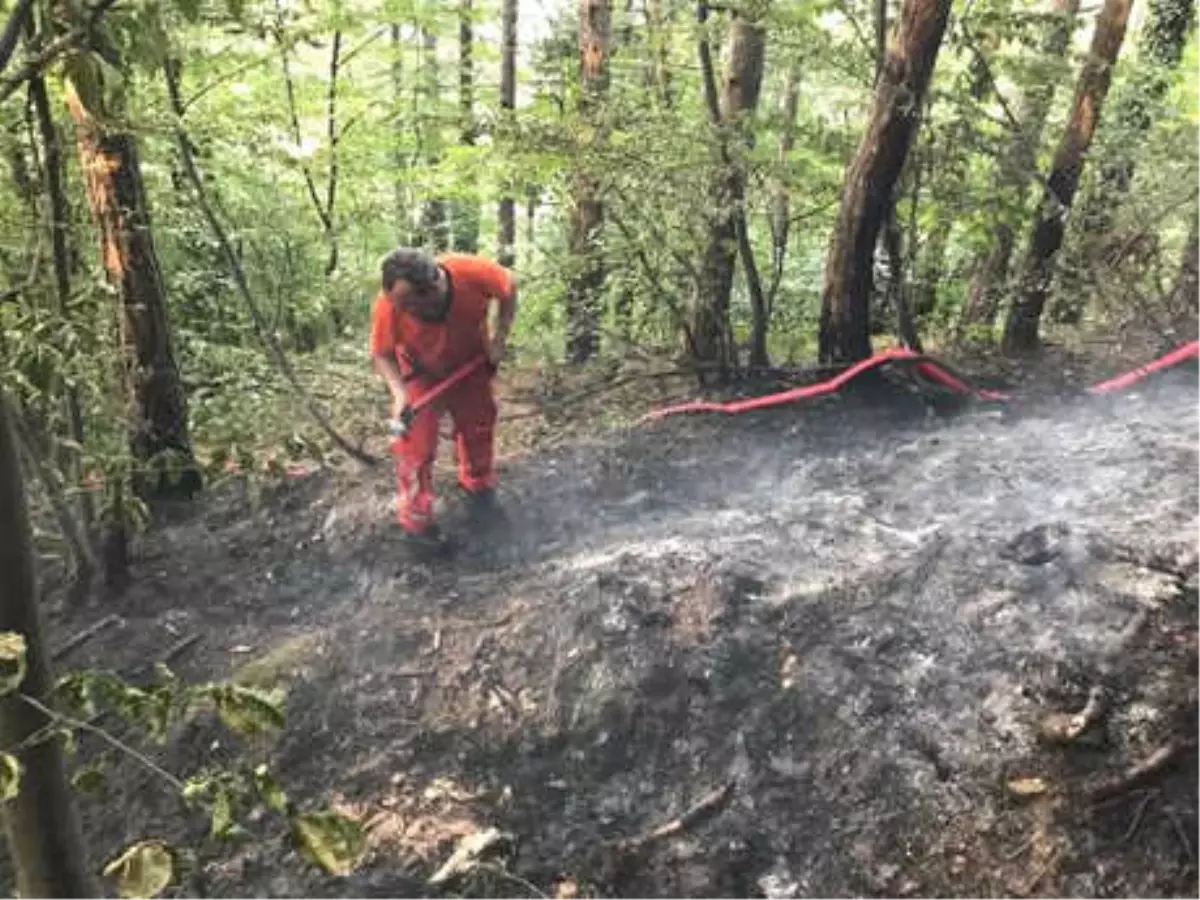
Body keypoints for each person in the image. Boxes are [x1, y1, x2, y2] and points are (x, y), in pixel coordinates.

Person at [370, 248, 517, 545]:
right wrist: (399, 395)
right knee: (415, 448)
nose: (401, 309)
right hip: (420, 374)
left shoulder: (472, 273)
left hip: (470, 364)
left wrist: (499, 338)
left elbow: (509, 287)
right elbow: (382, 354)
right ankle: (417, 525)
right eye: (398, 302)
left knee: (478, 428)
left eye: (408, 303)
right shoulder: (389, 307)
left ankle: (479, 492)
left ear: (432, 288)